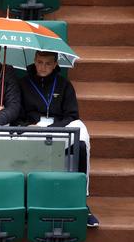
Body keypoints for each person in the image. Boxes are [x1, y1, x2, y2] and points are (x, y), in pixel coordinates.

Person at [18, 50, 100, 227]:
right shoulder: (23, 83)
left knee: (81, 141)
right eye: (40, 62)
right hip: (32, 128)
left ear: (55, 64)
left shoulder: (64, 84)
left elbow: (72, 115)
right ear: (35, 61)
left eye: (48, 63)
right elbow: (17, 115)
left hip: (60, 126)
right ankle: (24, 203)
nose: (43, 67)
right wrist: (26, 126)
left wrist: (52, 128)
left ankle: (81, 201)